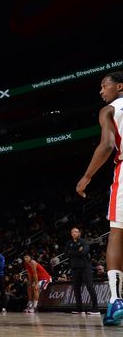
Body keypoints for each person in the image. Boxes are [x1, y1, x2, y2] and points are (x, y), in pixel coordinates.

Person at [77, 70, 123, 326]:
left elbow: (106, 146)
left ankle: (116, 301)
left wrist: (86, 177)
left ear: (119, 87)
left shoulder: (109, 110)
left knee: (117, 233)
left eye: (104, 86)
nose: (101, 91)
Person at [66, 227, 99, 315]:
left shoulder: (84, 242)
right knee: (76, 288)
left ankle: (96, 308)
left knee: (89, 286)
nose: (74, 233)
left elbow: (83, 252)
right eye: (72, 232)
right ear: (71, 234)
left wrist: (72, 252)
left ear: (79, 233)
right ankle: (79, 308)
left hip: (85, 267)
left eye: (76, 232)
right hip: (74, 268)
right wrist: (77, 251)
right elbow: (66, 253)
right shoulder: (68, 243)